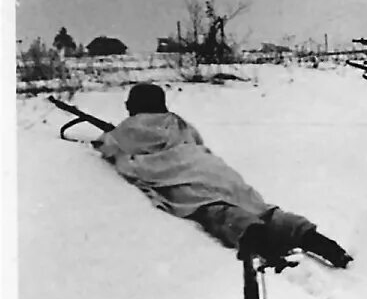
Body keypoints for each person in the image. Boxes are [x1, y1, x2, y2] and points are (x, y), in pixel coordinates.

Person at [93, 84, 352, 268]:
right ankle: (317, 241)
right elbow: (197, 142)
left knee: (219, 212)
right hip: (216, 171)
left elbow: (109, 146)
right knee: (262, 210)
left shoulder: (130, 127)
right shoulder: (177, 122)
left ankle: (265, 248)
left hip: (183, 178)